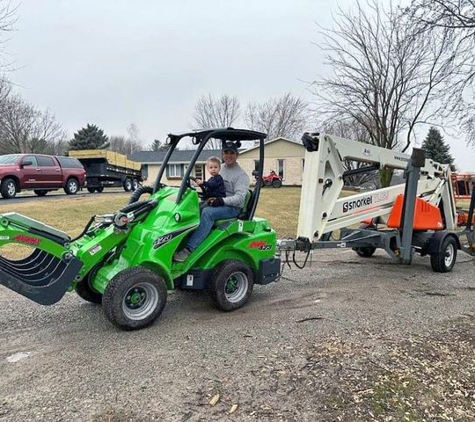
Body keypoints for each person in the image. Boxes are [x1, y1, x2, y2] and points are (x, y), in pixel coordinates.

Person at [173, 141, 250, 262]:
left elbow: (239, 198)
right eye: (226, 152)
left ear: (237, 155)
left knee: (208, 213)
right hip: (218, 201)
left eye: (232, 153)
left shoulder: (241, 175)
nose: (229, 155)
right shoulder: (220, 168)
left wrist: (220, 201)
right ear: (222, 154)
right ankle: (180, 241)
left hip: (232, 208)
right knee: (192, 208)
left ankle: (189, 249)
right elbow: (212, 184)